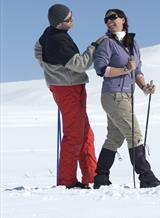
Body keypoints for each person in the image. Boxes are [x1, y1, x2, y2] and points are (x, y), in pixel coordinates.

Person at [93, 9, 160, 189]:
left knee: (114, 138)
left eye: (112, 17)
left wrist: (145, 87)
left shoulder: (133, 44)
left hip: (126, 95)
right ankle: (146, 177)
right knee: (134, 135)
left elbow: (137, 71)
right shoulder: (106, 43)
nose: (109, 21)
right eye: (106, 19)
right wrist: (125, 69)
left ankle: (101, 178)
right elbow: (101, 69)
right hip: (113, 95)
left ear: (123, 20)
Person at [34, 4, 105, 189]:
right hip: (69, 89)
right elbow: (80, 64)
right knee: (74, 135)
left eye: (71, 15)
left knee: (85, 134)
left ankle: (92, 176)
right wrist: (95, 46)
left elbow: (37, 49)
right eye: (67, 19)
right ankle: (67, 181)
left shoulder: (48, 33)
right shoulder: (59, 40)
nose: (72, 19)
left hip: (67, 87)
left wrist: (50, 71)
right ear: (58, 24)